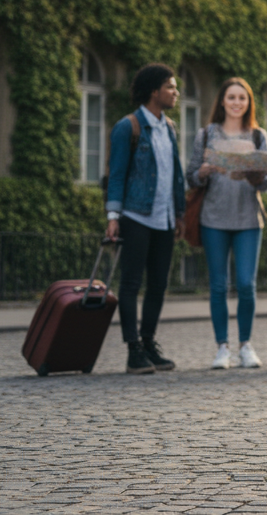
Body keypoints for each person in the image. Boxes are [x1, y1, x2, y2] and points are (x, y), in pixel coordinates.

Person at [105, 64, 186, 375]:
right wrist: (113, 216)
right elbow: (116, 175)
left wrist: (179, 213)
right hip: (135, 216)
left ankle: (149, 343)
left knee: (158, 285)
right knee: (130, 283)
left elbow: (175, 174)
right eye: (170, 87)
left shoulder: (170, 127)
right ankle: (133, 350)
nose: (176, 92)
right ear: (154, 91)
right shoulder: (128, 126)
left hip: (164, 218)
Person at [186, 77, 267, 370]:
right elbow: (191, 176)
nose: (237, 102)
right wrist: (203, 172)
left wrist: (255, 176)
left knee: (247, 284)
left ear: (249, 103)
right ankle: (222, 347)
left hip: (248, 218)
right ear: (222, 101)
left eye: (242, 98)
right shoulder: (206, 134)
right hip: (213, 218)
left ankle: (246, 345)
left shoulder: (258, 136)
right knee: (218, 285)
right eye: (232, 97)